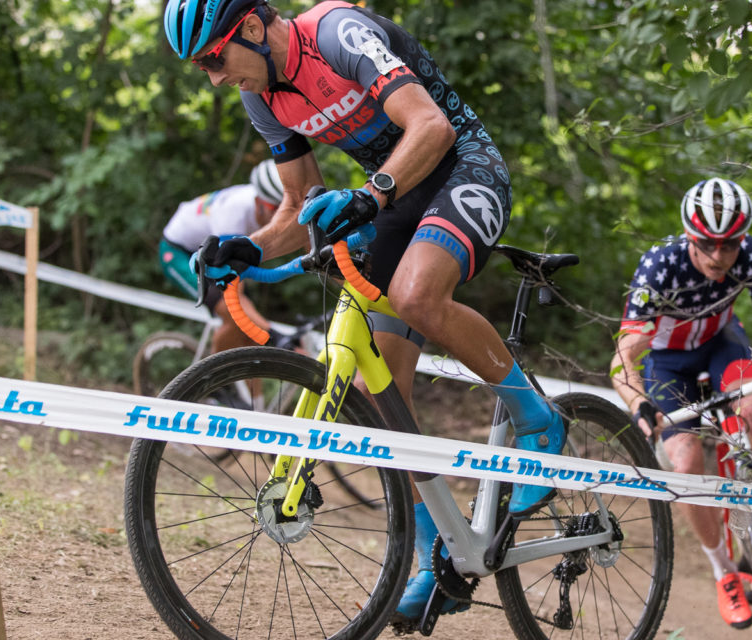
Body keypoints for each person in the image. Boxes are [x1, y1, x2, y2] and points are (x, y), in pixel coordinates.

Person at [162, 0, 565, 624]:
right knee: (382, 398)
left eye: (215, 59)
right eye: (201, 69)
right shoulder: (260, 96)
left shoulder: (337, 33)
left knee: (416, 294)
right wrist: (250, 248)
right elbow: (297, 204)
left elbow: (431, 127)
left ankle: (537, 416)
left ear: (251, 28)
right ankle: (439, 557)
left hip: (463, 169)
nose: (214, 78)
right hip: (393, 198)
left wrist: (370, 195)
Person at [609, 177, 752, 629]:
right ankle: (724, 572)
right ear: (689, 236)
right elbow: (623, 357)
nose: (718, 256)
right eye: (707, 244)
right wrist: (638, 403)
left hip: (722, 342)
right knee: (685, 460)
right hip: (669, 362)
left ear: (742, 239)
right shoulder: (660, 266)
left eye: (729, 245)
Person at [159, 159, 282, 353]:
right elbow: (234, 293)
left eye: (283, 209)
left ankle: (237, 369)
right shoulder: (234, 212)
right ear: (258, 201)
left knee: (250, 330)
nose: (279, 217)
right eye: (274, 209)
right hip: (178, 252)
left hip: (211, 251)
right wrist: (275, 335)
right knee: (232, 312)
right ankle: (215, 370)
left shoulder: (266, 205)